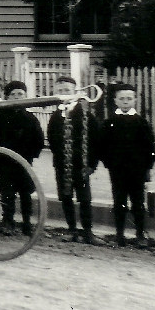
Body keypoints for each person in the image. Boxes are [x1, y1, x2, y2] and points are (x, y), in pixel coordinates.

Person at [95, 83, 155, 248]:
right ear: (115, 100)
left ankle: (140, 234)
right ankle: (120, 234)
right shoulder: (109, 123)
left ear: (135, 100)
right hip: (117, 170)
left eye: (129, 98)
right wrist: (109, 164)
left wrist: (147, 168)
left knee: (138, 203)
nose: (125, 102)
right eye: (121, 98)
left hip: (137, 171)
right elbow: (101, 146)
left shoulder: (142, 123)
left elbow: (150, 147)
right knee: (119, 202)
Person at [0, 80, 45, 235]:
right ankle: (8, 221)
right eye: (13, 94)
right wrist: (1, 156)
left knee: (26, 193)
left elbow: (39, 140)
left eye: (20, 94)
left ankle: (27, 223)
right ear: (7, 97)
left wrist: (30, 155)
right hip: (5, 164)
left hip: (24, 162)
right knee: (7, 194)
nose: (17, 97)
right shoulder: (0, 118)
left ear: (25, 96)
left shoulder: (30, 118)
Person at [47, 75, 99, 244]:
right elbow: (52, 140)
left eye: (67, 91)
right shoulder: (56, 116)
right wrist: (60, 160)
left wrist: (91, 164)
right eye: (60, 91)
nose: (64, 94)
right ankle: (72, 230)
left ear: (75, 92)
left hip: (82, 165)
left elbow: (94, 141)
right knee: (66, 197)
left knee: (84, 199)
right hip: (63, 165)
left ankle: (88, 232)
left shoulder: (86, 116)